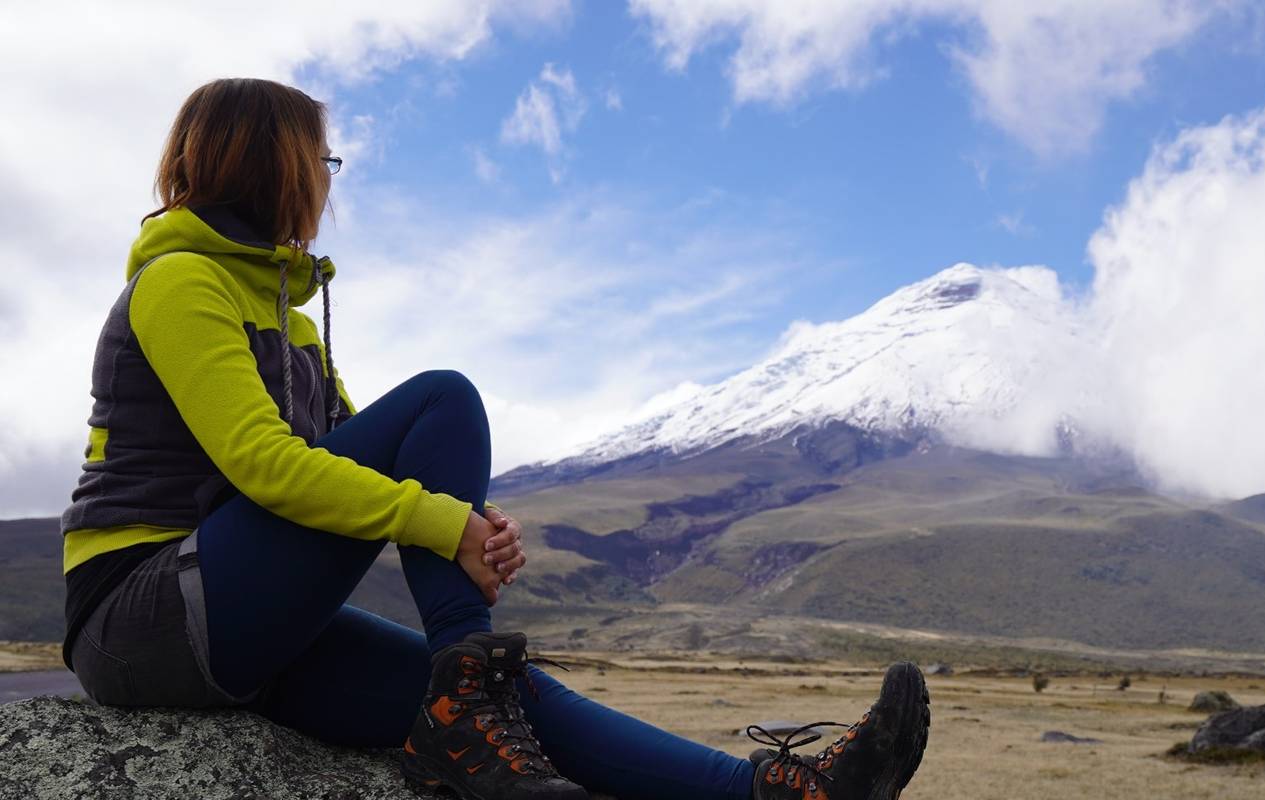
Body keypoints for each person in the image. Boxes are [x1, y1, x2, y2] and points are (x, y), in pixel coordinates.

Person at [59, 77, 929, 800]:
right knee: (445, 400)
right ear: (277, 164)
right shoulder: (181, 283)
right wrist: (445, 523)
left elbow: (363, 466)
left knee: (509, 691)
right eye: (322, 160)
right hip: (141, 616)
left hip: (244, 621)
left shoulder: (295, 328)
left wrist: (470, 524)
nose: (328, 180)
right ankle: (465, 715)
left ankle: (775, 792)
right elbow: (268, 468)